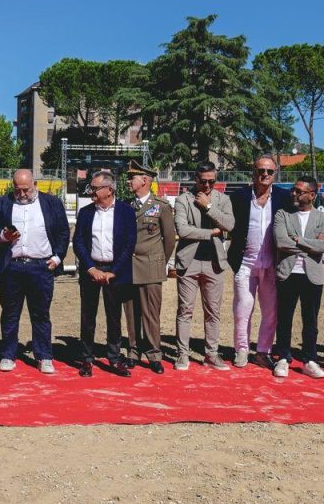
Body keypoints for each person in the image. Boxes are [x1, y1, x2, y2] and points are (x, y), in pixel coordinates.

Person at [0, 169, 69, 373]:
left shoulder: (52, 203)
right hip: (11, 266)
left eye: (26, 190)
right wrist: (3, 235)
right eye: (17, 190)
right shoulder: (2, 203)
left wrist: (57, 257)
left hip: (41, 266)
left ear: (35, 185)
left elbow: (63, 232)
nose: (21, 194)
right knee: (10, 313)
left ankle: (44, 356)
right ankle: (8, 354)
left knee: (41, 314)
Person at [228, 156, 295, 367]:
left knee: (271, 311)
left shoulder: (284, 197)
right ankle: (241, 349)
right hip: (245, 263)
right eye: (260, 170)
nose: (264, 175)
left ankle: (263, 351)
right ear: (253, 172)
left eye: (269, 171)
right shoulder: (239, 197)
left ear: (275, 174)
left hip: (272, 264)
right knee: (242, 309)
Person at [72, 170, 137, 377]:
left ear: (109, 190)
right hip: (91, 270)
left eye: (95, 188)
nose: (91, 191)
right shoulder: (86, 212)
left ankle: (114, 358)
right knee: (87, 316)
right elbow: (78, 242)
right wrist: (91, 268)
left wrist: (114, 271)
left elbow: (129, 243)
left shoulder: (126, 211)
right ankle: (86, 358)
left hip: (115, 272)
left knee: (114, 316)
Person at [173, 161, 235, 371]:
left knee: (213, 312)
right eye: (203, 181)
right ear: (195, 179)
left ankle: (211, 354)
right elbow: (183, 230)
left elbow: (229, 225)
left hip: (214, 263)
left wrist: (208, 207)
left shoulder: (223, 200)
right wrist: (212, 233)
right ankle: (182, 354)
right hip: (188, 262)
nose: (207, 185)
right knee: (185, 310)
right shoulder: (183, 200)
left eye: (212, 181)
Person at [270, 177, 324, 379]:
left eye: (299, 191)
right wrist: (310, 245)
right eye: (293, 190)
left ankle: (310, 360)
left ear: (312, 195)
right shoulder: (283, 214)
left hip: (312, 276)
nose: (293, 194)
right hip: (288, 273)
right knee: (284, 319)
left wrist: (299, 240)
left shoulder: (322, 218)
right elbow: (280, 242)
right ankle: (283, 357)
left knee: (310, 321)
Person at [122, 160, 176, 374]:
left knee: (151, 314)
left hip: (151, 267)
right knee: (131, 313)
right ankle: (133, 351)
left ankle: (154, 354)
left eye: (132, 177)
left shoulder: (161, 206)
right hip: (129, 268)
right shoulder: (126, 206)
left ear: (144, 180)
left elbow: (169, 239)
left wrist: (159, 261)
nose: (128, 181)